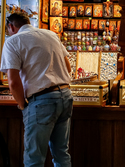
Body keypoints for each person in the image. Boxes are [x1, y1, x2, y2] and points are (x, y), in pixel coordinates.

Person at [0, 13, 72, 166]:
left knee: (34, 158)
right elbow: (68, 67)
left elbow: (13, 82)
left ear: (11, 27)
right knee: (61, 154)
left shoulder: (13, 41)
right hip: (65, 95)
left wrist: (22, 105)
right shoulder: (51, 34)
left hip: (41, 100)